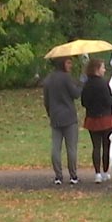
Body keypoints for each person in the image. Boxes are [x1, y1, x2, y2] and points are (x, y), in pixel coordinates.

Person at [43, 57, 82, 185]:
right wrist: (80, 84)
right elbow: (76, 94)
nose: (70, 65)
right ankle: (73, 175)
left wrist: (50, 113)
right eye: (68, 63)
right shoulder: (66, 78)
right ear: (63, 64)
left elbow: (46, 100)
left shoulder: (49, 79)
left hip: (55, 116)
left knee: (56, 148)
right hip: (69, 117)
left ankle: (58, 175)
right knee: (71, 148)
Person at [80, 59, 112, 183]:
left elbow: (83, 102)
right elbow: (108, 101)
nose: (104, 69)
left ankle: (97, 173)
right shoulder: (103, 84)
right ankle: (106, 171)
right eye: (103, 67)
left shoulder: (87, 84)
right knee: (106, 145)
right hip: (105, 118)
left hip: (92, 118)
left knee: (96, 146)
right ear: (97, 69)